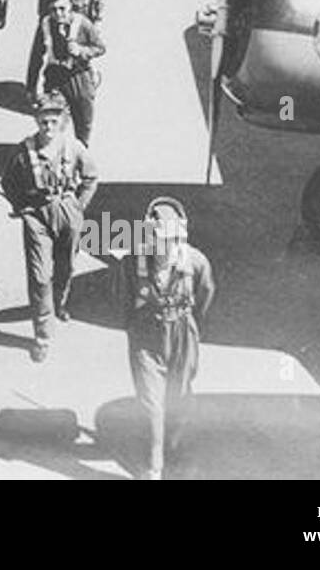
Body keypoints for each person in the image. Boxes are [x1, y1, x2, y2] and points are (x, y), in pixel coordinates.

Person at [118, 197, 214, 479]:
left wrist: (192, 329)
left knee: (180, 395)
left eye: (169, 240)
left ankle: (173, 442)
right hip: (146, 335)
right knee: (151, 401)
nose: (162, 247)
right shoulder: (131, 262)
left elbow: (206, 294)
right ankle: (153, 464)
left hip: (183, 331)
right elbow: (123, 299)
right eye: (156, 239)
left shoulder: (196, 261)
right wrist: (135, 331)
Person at [0, 93, 99, 363]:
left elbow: (90, 177)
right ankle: (42, 335)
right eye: (44, 121)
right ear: (36, 120)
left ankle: (60, 302)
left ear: (63, 122)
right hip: (38, 217)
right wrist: (23, 209)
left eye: (54, 121)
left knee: (65, 266)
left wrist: (78, 206)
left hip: (68, 212)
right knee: (40, 276)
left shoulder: (74, 147)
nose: (49, 127)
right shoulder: (24, 150)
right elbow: (7, 181)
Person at [26, 0, 105, 145]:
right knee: (53, 119)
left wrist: (82, 50)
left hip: (79, 77)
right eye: (54, 9)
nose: (58, 13)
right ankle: (55, 155)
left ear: (71, 6)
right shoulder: (46, 24)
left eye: (62, 8)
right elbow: (36, 57)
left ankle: (80, 155)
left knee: (83, 122)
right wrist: (31, 86)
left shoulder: (83, 23)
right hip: (55, 77)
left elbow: (100, 47)